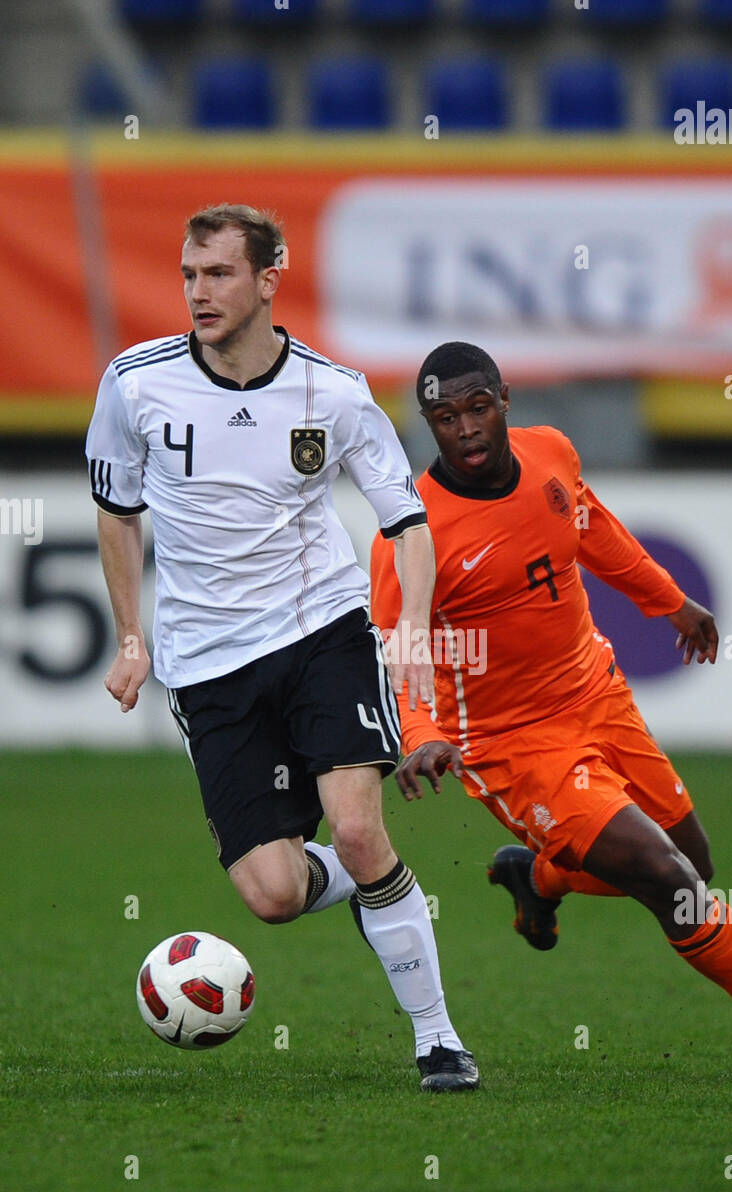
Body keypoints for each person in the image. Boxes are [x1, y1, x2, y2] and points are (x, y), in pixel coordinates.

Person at [369, 340, 732, 1081]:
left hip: (597, 692)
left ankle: (543, 879)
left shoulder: (552, 454)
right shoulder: (411, 532)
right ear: (428, 425)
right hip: (511, 744)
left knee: (694, 863)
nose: (465, 429)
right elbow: (402, 652)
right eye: (443, 417)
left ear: (504, 401)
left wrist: (671, 602)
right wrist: (425, 733)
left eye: (475, 408)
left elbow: (594, 531)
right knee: (670, 880)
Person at [86, 205, 478, 1093]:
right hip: (209, 662)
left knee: (355, 822)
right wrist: (131, 638)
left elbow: (408, 522)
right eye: (189, 275)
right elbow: (117, 512)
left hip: (321, 632)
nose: (198, 293)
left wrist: (411, 623)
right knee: (270, 895)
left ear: (269, 279)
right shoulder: (135, 384)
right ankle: (366, 872)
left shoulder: (333, 394)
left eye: (219, 274)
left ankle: (438, 1039)